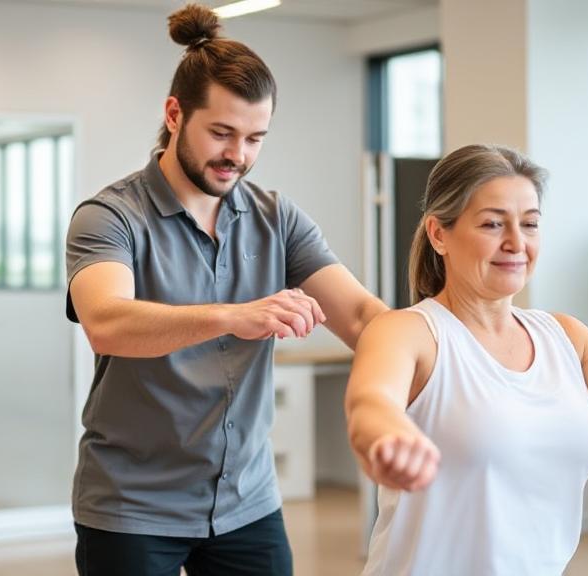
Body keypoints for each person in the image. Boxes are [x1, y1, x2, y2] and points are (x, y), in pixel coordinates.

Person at [64, 5, 387, 575]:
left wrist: (458, 355)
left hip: (247, 504)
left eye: (255, 137)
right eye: (221, 133)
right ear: (174, 114)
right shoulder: (109, 217)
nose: (238, 155)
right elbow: (107, 323)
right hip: (132, 508)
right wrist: (231, 316)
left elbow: (362, 318)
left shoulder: (277, 218)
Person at [344, 144, 588, 575]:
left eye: (530, 224)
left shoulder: (566, 338)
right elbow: (371, 402)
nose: (516, 243)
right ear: (439, 234)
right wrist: (387, 438)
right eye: (492, 224)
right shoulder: (409, 332)